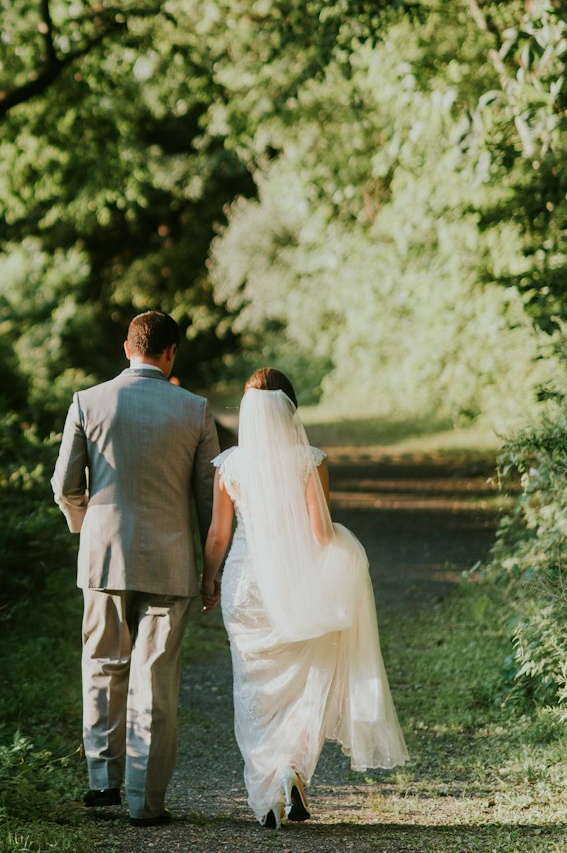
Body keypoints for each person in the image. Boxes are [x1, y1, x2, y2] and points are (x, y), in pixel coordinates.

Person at [201, 368, 409, 829]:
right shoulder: (309, 461)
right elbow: (319, 534)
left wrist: (208, 581)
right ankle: (290, 770)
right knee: (302, 683)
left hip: (245, 585)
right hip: (295, 584)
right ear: (291, 410)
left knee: (254, 687)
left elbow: (219, 535)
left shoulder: (230, 465)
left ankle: (268, 789)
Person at [51, 310, 219, 827]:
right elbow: (209, 503)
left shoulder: (87, 402)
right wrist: (211, 571)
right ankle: (146, 801)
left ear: (128, 348)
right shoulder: (195, 410)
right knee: (155, 678)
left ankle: (103, 784)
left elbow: (64, 486)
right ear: (171, 354)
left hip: (103, 556)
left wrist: (87, 526)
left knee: (103, 666)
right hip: (172, 562)